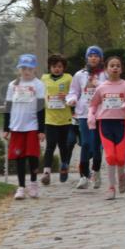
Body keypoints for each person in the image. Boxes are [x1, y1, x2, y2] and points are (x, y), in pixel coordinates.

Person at [88, 56, 125, 200]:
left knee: (120, 157)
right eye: (112, 65)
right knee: (110, 156)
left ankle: (121, 175)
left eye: (118, 65)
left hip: (121, 124)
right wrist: (91, 116)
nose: (115, 68)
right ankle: (111, 187)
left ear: (121, 69)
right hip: (105, 123)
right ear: (106, 69)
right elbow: (93, 104)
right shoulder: (101, 87)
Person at [4, 54, 46, 200]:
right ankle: (21, 187)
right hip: (16, 127)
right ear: (19, 69)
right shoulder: (13, 85)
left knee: (32, 156)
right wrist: (6, 127)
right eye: (23, 68)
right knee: (19, 158)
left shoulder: (39, 85)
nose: (26, 71)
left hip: (32, 126)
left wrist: (41, 130)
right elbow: (8, 106)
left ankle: (33, 183)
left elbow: (41, 108)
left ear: (34, 69)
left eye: (29, 68)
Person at [66, 46, 106, 190]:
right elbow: (73, 91)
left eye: (96, 55)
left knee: (97, 146)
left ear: (101, 58)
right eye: (91, 55)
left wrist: (99, 84)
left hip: (100, 113)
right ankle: (84, 176)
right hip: (83, 113)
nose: (93, 58)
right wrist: (71, 99)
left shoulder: (105, 74)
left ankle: (96, 171)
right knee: (86, 143)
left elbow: (109, 89)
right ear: (87, 58)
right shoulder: (79, 75)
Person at [40, 54, 73, 185]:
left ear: (63, 67)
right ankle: (46, 173)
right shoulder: (44, 78)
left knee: (63, 146)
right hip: (50, 119)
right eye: (54, 66)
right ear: (49, 67)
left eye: (59, 66)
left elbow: (75, 93)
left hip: (65, 119)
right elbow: (40, 94)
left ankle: (64, 166)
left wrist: (67, 96)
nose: (57, 69)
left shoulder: (68, 78)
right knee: (50, 146)